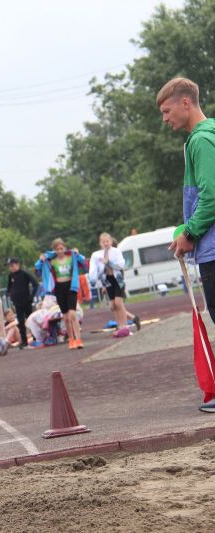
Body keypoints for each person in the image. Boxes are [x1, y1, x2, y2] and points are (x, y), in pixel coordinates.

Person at [159, 77, 215, 413]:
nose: (165, 119)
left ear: (185, 103)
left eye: (167, 111)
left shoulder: (201, 140)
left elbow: (211, 196)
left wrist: (190, 233)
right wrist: (186, 229)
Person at [36, 239, 88, 350]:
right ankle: (71, 339)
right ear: (54, 250)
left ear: (65, 248)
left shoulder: (71, 257)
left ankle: (78, 339)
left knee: (72, 314)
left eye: (61, 248)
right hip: (59, 289)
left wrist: (78, 254)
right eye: (57, 249)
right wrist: (41, 259)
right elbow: (38, 268)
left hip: (71, 287)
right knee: (66, 317)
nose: (60, 251)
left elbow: (84, 262)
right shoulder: (52, 260)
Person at [89, 232, 141, 338]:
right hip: (108, 281)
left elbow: (121, 265)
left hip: (118, 281)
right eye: (103, 242)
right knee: (113, 306)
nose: (105, 243)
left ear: (111, 241)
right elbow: (94, 269)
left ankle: (124, 327)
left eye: (107, 241)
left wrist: (108, 262)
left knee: (118, 303)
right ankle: (120, 326)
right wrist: (93, 279)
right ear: (100, 243)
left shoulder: (116, 252)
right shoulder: (96, 255)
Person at [6, 257, 39, 349]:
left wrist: (31, 297)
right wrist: (9, 295)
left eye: (12, 265)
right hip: (17, 303)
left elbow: (35, 284)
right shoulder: (10, 276)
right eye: (10, 266)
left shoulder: (24, 274)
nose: (11, 268)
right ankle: (24, 341)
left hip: (26, 301)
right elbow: (9, 287)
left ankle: (35, 338)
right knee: (20, 322)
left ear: (17, 264)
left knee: (30, 319)